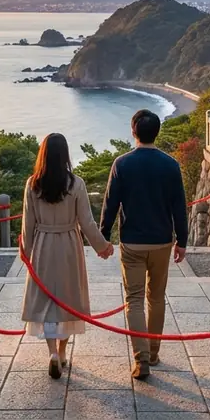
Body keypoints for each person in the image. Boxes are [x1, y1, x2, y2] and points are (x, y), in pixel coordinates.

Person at [100, 109, 188, 380]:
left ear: (133, 131)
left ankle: (141, 360)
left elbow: (111, 204)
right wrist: (182, 241)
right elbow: (179, 207)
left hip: (132, 242)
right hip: (162, 240)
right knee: (157, 297)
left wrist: (103, 237)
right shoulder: (170, 164)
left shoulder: (122, 164)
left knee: (134, 300)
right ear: (157, 132)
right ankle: (153, 351)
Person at [21, 133, 114, 380]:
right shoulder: (76, 184)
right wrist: (102, 246)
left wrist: (26, 252)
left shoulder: (33, 184)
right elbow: (87, 222)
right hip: (69, 246)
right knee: (67, 300)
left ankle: (52, 353)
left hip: (43, 244)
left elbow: (27, 224)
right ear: (65, 155)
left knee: (48, 301)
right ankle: (62, 353)